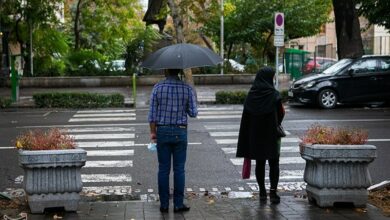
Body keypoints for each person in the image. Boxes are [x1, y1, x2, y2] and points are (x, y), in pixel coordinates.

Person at [148, 69, 198, 213]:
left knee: (163, 169)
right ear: (179, 71)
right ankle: (178, 204)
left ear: (165, 71)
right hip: (180, 131)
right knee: (179, 169)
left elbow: (152, 115)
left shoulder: (158, 88)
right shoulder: (186, 88)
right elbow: (193, 113)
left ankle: (164, 204)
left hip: (162, 131)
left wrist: (153, 132)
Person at [236, 67, 285, 204]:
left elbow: (246, 118)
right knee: (274, 163)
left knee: (260, 163)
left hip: (256, 136)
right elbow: (281, 113)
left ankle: (262, 192)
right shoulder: (274, 95)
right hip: (272, 136)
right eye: (273, 77)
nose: (274, 79)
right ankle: (273, 193)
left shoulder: (251, 96)